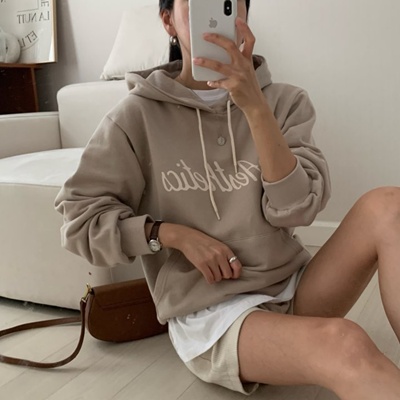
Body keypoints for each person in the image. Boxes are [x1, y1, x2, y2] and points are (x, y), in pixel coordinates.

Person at [55, 0, 400, 398]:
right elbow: (79, 220)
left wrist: (254, 107)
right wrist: (168, 234)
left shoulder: (285, 102)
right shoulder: (135, 117)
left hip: (293, 288)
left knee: (388, 205)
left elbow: (296, 209)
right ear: (168, 21)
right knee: (346, 345)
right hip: (211, 314)